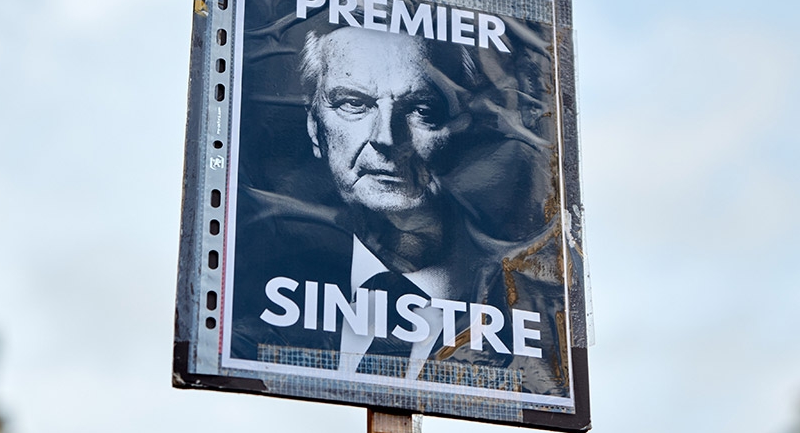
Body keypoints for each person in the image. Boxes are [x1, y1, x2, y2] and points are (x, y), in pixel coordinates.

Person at [228, 24, 568, 396]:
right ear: (314, 127)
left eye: (422, 110)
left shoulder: (539, 314)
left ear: (463, 129)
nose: (387, 138)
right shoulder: (251, 309)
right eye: (354, 104)